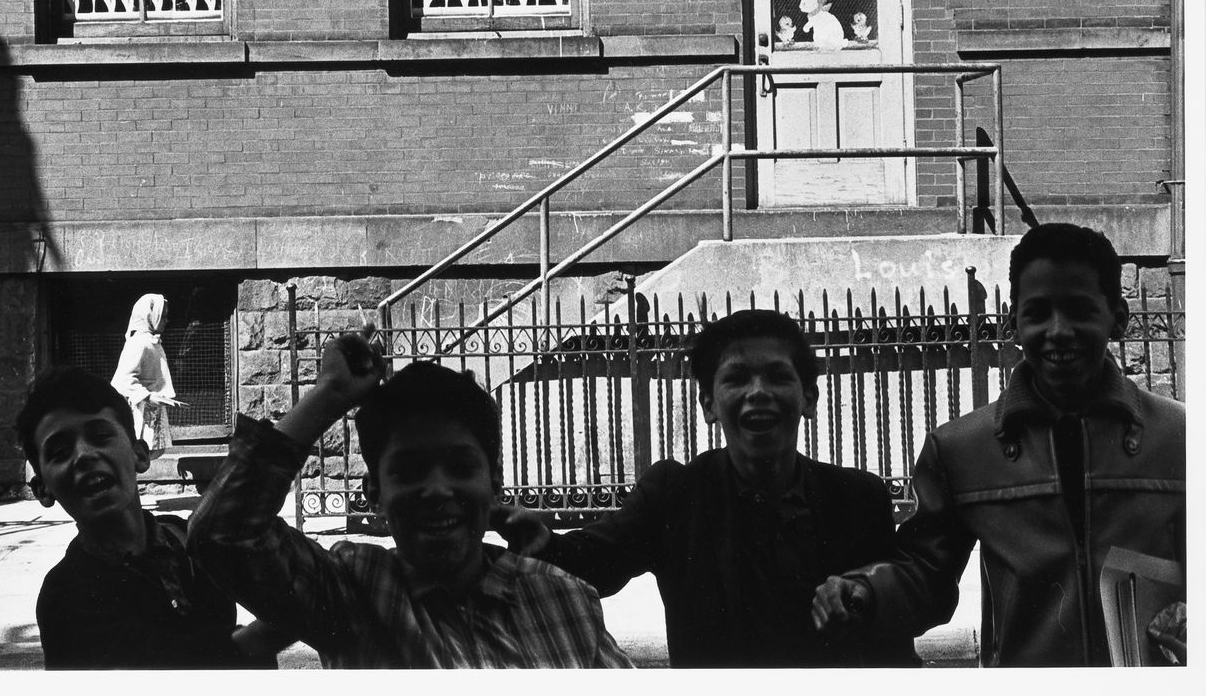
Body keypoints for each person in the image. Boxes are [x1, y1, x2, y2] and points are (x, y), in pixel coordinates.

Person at [812, 223, 1187, 666]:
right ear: (1013, 323)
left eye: (1079, 309)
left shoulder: (1181, 438)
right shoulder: (961, 450)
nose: (1058, 330)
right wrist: (867, 591)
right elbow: (926, 572)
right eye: (1038, 312)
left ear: (1118, 318)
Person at [496, 309, 918, 667]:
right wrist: (543, 543)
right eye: (736, 378)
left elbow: (895, 641)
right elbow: (593, 564)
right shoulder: (675, 495)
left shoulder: (859, 499)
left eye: (777, 376)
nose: (758, 393)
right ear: (709, 405)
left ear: (809, 398)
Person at [187, 331, 633, 668]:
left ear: (495, 482)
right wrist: (330, 398)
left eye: (460, 467)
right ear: (376, 495)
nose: (437, 490)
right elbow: (223, 533)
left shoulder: (565, 600)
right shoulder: (354, 592)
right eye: (410, 471)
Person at [16, 369, 282, 669]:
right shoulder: (64, 596)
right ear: (43, 490)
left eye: (100, 436)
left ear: (140, 455)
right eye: (60, 452)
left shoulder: (186, 539)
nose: (84, 455)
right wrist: (263, 636)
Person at [110, 293, 181, 459]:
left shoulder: (151, 341)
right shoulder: (139, 343)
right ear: (150, 316)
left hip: (151, 409)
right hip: (141, 409)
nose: (166, 320)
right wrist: (148, 396)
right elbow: (123, 380)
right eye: (162, 316)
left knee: (149, 454)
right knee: (137, 455)